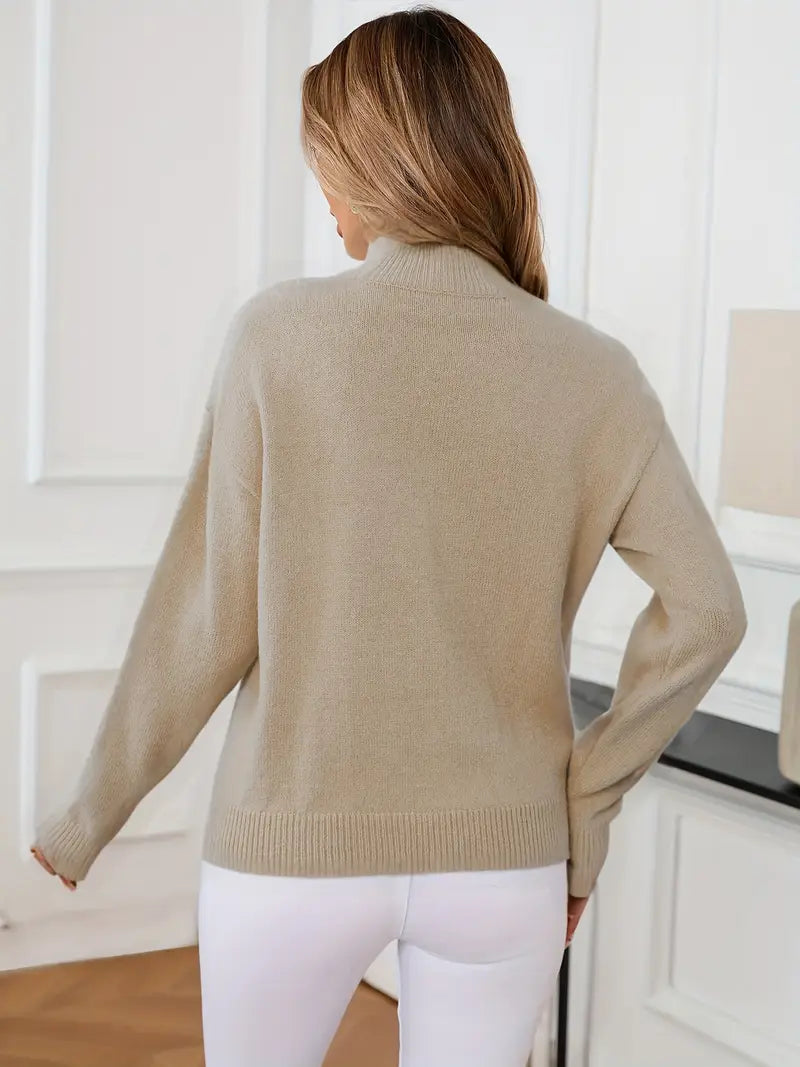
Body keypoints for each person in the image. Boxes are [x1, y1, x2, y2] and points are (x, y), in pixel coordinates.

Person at [30, 6, 748, 1066]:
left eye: (328, 168)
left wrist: (90, 812)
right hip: (504, 865)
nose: (326, 203)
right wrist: (581, 812)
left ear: (377, 164)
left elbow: (204, 618)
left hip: (289, 855)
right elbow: (710, 610)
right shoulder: (596, 373)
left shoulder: (278, 337)